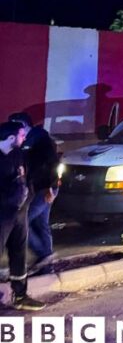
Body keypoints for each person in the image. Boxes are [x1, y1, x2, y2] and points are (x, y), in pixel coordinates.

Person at [0, 121, 45, 310]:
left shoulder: (19, 154)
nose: (24, 137)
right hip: (2, 215)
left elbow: (26, 178)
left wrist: (26, 201)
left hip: (19, 214)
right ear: (11, 137)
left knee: (19, 252)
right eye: (21, 135)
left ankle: (20, 295)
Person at [9, 112, 60, 271]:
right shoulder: (28, 139)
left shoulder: (40, 138)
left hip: (43, 189)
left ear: (24, 125)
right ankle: (47, 267)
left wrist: (50, 188)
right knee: (41, 224)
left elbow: (52, 163)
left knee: (21, 222)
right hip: (39, 188)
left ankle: (43, 255)